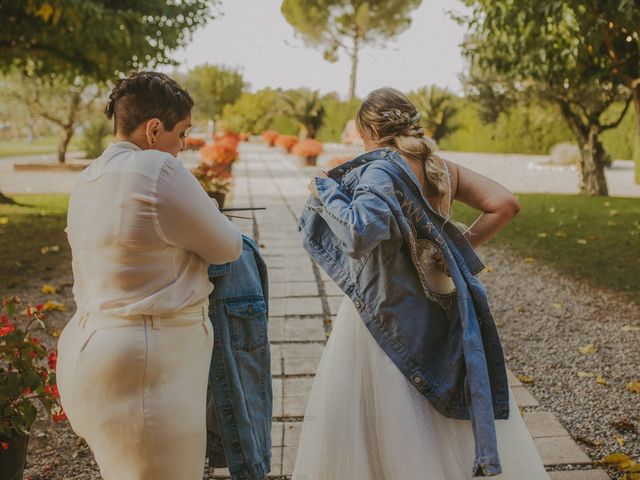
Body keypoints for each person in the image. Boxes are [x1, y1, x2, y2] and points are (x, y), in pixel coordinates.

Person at [294, 87, 550, 479]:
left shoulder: (379, 170)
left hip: (390, 302)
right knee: (445, 391)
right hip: (441, 291)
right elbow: (505, 203)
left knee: (391, 409)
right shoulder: (441, 166)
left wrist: (324, 191)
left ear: (370, 132)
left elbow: (361, 234)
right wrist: (456, 248)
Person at [56, 71, 243, 480]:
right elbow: (228, 246)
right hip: (144, 370)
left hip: (91, 351)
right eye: (182, 133)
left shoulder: (88, 177)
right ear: (154, 129)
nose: (183, 146)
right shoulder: (156, 168)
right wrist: (210, 212)